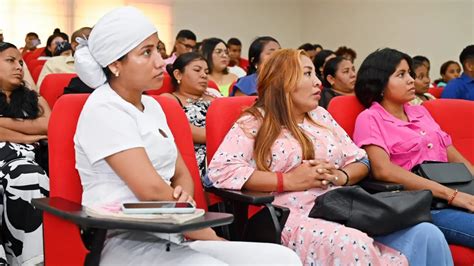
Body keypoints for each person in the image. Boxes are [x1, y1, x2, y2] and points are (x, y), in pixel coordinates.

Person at [73, 6, 301, 265]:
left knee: (282, 259)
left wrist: (182, 197)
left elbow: (181, 171)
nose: (161, 61)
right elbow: (149, 189)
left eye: (158, 49)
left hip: (173, 231)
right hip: (123, 238)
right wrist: (195, 223)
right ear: (115, 64)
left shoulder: (153, 106)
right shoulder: (104, 108)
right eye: (146, 53)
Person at [207, 48, 453, 266]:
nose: (318, 83)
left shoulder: (321, 116)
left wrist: (342, 175)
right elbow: (220, 171)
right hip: (292, 214)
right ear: (282, 81)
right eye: (307, 74)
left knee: (427, 234)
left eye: (316, 74)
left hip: (343, 205)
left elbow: (361, 160)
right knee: (353, 243)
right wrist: (288, 180)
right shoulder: (256, 121)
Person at [353, 48, 474, 249]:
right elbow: (383, 170)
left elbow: (454, 155)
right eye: (401, 75)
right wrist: (451, 195)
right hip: (424, 204)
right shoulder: (370, 118)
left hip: (457, 193)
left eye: (409, 73)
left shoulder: (420, 112)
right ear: (380, 83)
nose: (411, 80)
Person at [0, 42, 50, 265]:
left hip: (26, 162)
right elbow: (38, 130)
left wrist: (4, 125)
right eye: (10, 61)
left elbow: (49, 126)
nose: (19, 66)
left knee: (29, 175)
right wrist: (29, 136)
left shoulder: (34, 99)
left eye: (20, 62)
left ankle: (31, 260)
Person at [162, 52, 221, 180]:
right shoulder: (169, 100)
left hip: (228, 150)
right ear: (178, 74)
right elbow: (186, 132)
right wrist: (229, 136)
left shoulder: (215, 96)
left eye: (206, 71)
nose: (204, 75)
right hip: (195, 158)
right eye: (197, 70)